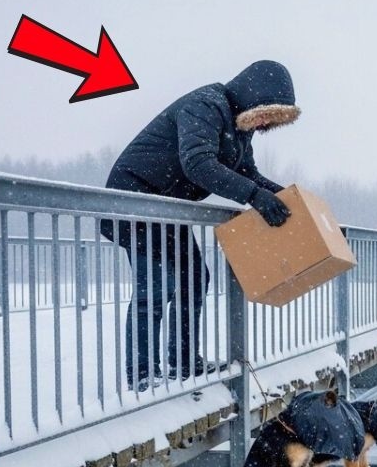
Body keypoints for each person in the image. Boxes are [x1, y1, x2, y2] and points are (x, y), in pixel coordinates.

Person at [100, 60, 300, 391]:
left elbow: (246, 173)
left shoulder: (239, 128)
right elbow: (198, 164)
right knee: (157, 285)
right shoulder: (206, 105)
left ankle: (183, 363)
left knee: (195, 278)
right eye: (266, 111)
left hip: (168, 208)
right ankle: (142, 374)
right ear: (252, 96)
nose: (265, 121)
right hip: (135, 200)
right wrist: (255, 197)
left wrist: (284, 197)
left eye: (273, 118)